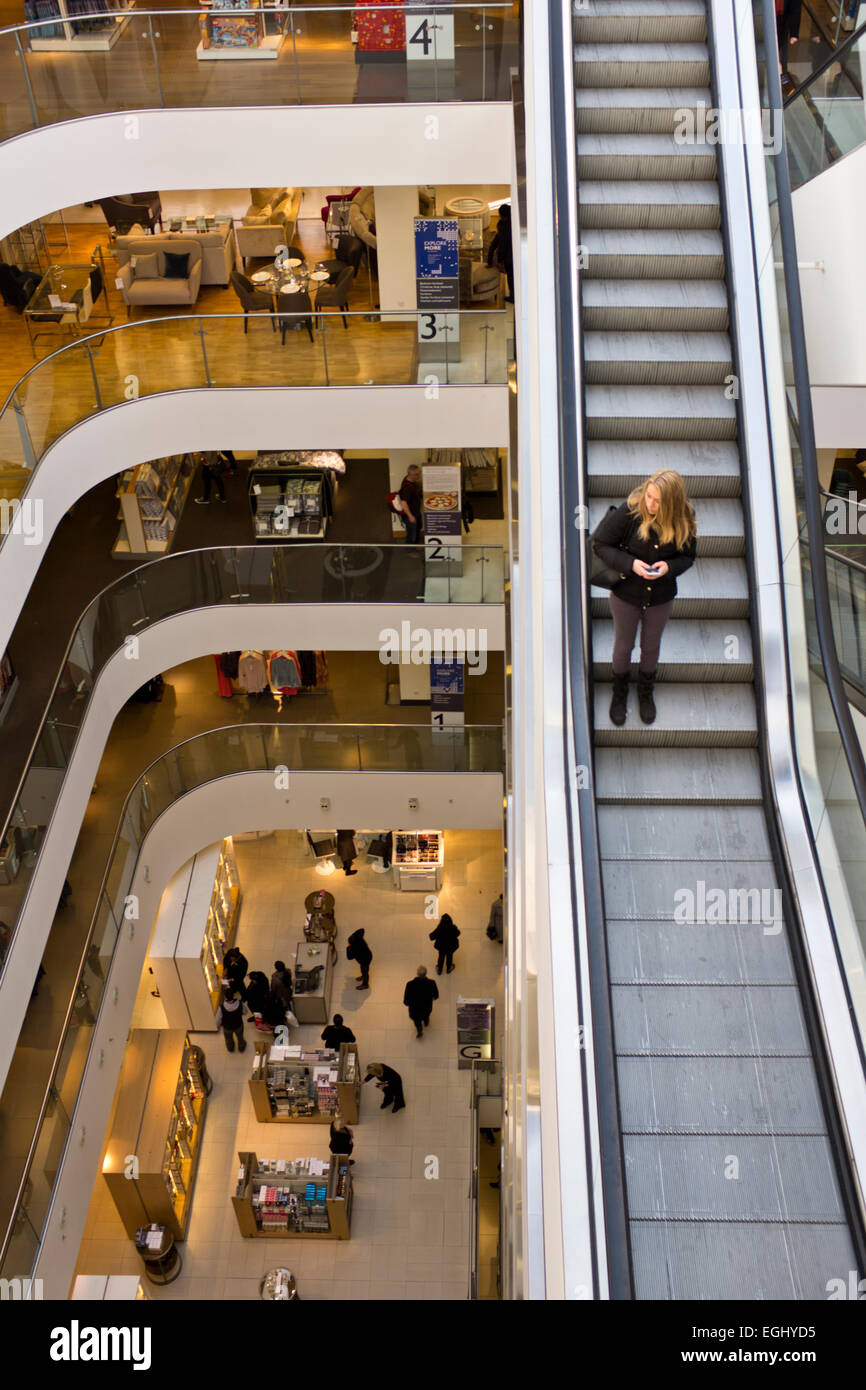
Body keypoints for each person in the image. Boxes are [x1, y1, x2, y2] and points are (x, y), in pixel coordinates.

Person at [592, 469, 697, 727]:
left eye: (658, 501)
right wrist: (631, 564)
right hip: (626, 594)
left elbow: (688, 557)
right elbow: (600, 544)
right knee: (623, 646)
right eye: (649, 496)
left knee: (651, 646)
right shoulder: (630, 512)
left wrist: (668, 568)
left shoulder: (684, 518)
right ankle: (620, 692)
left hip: (660, 597)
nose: (650, 504)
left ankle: (645, 691)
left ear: (671, 503)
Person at [487, 203, 514, 303]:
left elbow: (498, 244)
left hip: (509, 258)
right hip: (516, 256)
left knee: (511, 277)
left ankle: (513, 296)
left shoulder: (503, 227)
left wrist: (496, 260)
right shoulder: (514, 223)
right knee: (514, 277)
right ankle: (516, 295)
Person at [403, 964, 439, 1038]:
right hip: (426, 1007)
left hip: (414, 1009)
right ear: (426, 973)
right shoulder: (432, 983)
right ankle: (426, 1022)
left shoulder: (410, 985)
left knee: (417, 1021)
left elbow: (406, 1000)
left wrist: (408, 1003)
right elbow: (436, 996)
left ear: (417, 973)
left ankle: (419, 1030)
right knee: (426, 1016)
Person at [215, 986, 246, 1052]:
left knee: (228, 1038)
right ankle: (241, 1047)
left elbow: (218, 1020)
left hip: (227, 1027)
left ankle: (230, 1048)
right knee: (240, 1037)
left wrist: (218, 1025)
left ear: (225, 997)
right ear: (233, 995)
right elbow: (245, 1012)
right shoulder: (240, 1003)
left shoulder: (221, 1008)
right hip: (238, 1025)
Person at [398, 464, 423, 546]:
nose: (419, 476)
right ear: (411, 475)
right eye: (417, 474)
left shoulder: (410, 480)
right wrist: (410, 516)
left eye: (419, 473)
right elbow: (403, 502)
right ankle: (410, 551)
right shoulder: (407, 487)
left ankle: (415, 546)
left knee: (417, 529)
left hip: (416, 513)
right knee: (412, 534)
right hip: (410, 514)